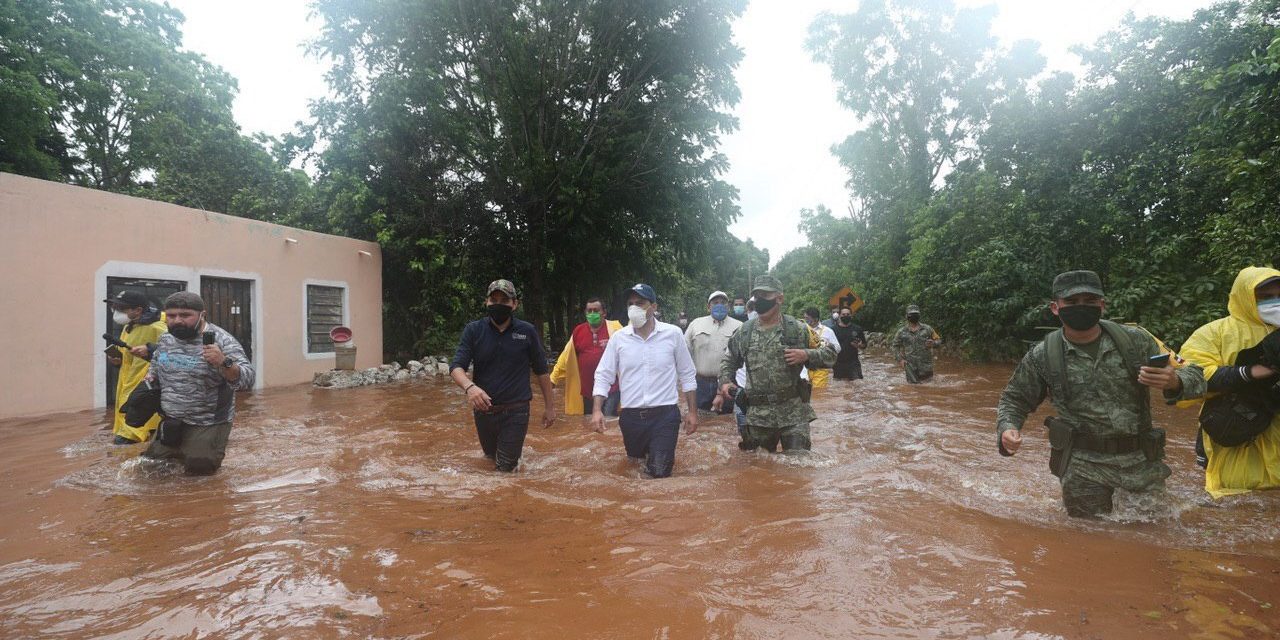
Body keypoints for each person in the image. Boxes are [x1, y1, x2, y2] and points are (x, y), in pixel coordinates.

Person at [996, 270, 1205, 518]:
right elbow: (1015, 399)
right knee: (1087, 537)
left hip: (1141, 463)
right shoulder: (1043, 355)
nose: (1081, 307)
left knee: (1154, 532)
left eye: (1090, 301)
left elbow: (1197, 375)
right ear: (1055, 307)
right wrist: (1008, 429)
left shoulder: (1137, 340)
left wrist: (1175, 381)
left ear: (1102, 305)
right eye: (1072, 302)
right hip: (1083, 468)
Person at [1179, 266, 1280, 498]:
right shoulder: (1214, 333)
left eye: (1279, 296)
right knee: (1236, 505)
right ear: (1245, 297)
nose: (1275, 303)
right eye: (1265, 297)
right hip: (1238, 444)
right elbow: (1188, 379)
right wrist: (1246, 373)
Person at [139, 292, 255, 475]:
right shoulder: (166, 339)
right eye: (171, 315)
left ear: (202, 314)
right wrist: (150, 377)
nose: (177, 320)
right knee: (150, 470)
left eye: (185, 315)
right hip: (171, 420)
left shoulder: (222, 341)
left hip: (208, 422)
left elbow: (248, 380)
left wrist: (223, 362)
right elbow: (156, 362)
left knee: (199, 475)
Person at [590, 283, 698, 478]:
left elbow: (687, 373)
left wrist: (692, 412)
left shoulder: (673, 334)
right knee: (636, 469)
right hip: (631, 417)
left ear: (653, 307)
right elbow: (604, 374)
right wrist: (597, 410)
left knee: (658, 473)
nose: (634, 308)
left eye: (640, 303)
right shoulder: (619, 339)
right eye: (630, 303)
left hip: (665, 416)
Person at [719, 275, 836, 453]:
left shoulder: (798, 329)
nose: (759, 302)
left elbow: (831, 354)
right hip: (758, 416)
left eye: (765, 296)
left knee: (798, 468)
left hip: (793, 413)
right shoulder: (744, 332)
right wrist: (726, 382)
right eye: (756, 297)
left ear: (779, 298)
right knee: (760, 471)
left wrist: (806, 354)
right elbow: (729, 360)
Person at [450, 279, 556, 472]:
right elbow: (456, 367)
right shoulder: (474, 331)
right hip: (484, 411)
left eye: (504, 300)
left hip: (516, 410)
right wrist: (470, 387)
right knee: (490, 460)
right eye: (494, 299)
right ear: (486, 302)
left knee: (504, 470)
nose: (498, 304)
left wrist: (550, 407)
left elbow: (541, 371)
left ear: (514, 304)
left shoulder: (527, 332)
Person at [104, 290, 167, 444]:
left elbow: (173, 353)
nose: (117, 312)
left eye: (122, 308)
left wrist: (150, 352)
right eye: (115, 307)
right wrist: (117, 359)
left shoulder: (157, 327)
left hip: (144, 384)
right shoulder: (129, 327)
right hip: (127, 380)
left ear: (138, 310)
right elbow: (127, 354)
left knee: (124, 443)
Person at [551, 297, 623, 416]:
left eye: (596, 310)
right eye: (589, 311)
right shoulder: (578, 331)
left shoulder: (616, 330)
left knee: (607, 422)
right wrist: (553, 378)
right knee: (589, 425)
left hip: (611, 389)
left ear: (604, 313)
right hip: (587, 391)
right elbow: (566, 357)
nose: (592, 314)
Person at [685, 290, 743, 413]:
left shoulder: (739, 327)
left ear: (728, 306)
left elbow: (742, 360)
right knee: (699, 419)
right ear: (708, 306)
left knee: (726, 418)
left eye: (723, 302)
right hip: (700, 383)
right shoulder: (696, 324)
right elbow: (684, 353)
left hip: (728, 384)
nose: (719, 305)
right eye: (715, 302)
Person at [891, 304, 941, 383]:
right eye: (911, 315)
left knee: (928, 390)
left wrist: (933, 343)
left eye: (915, 314)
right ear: (907, 316)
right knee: (913, 390)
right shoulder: (901, 332)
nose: (913, 316)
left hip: (926, 367)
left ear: (919, 315)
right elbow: (894, 346)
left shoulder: (928, 329)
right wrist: (900, 360)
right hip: (910, 368)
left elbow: (938, 340)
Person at [802, 307, 841, 388]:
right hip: (804, 368)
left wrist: (825, 347)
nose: (805, 320)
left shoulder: (828, 331)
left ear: (816, 318)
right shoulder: (801, 331)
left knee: (818, 394)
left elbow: (838, 348)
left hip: (820, 368)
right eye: (804, 318)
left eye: (807, 318)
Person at [830, 306, 866, 381]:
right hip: (838, 364)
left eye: (848, 314)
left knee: (857, 386)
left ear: (851, 315)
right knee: (838, 388)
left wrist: (859, 345)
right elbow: (828, 347)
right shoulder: (833, 330)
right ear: (839, 315)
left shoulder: (857, 329)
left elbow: (864, 345)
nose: (845, 316)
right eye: (843, 314)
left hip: (853, 363)